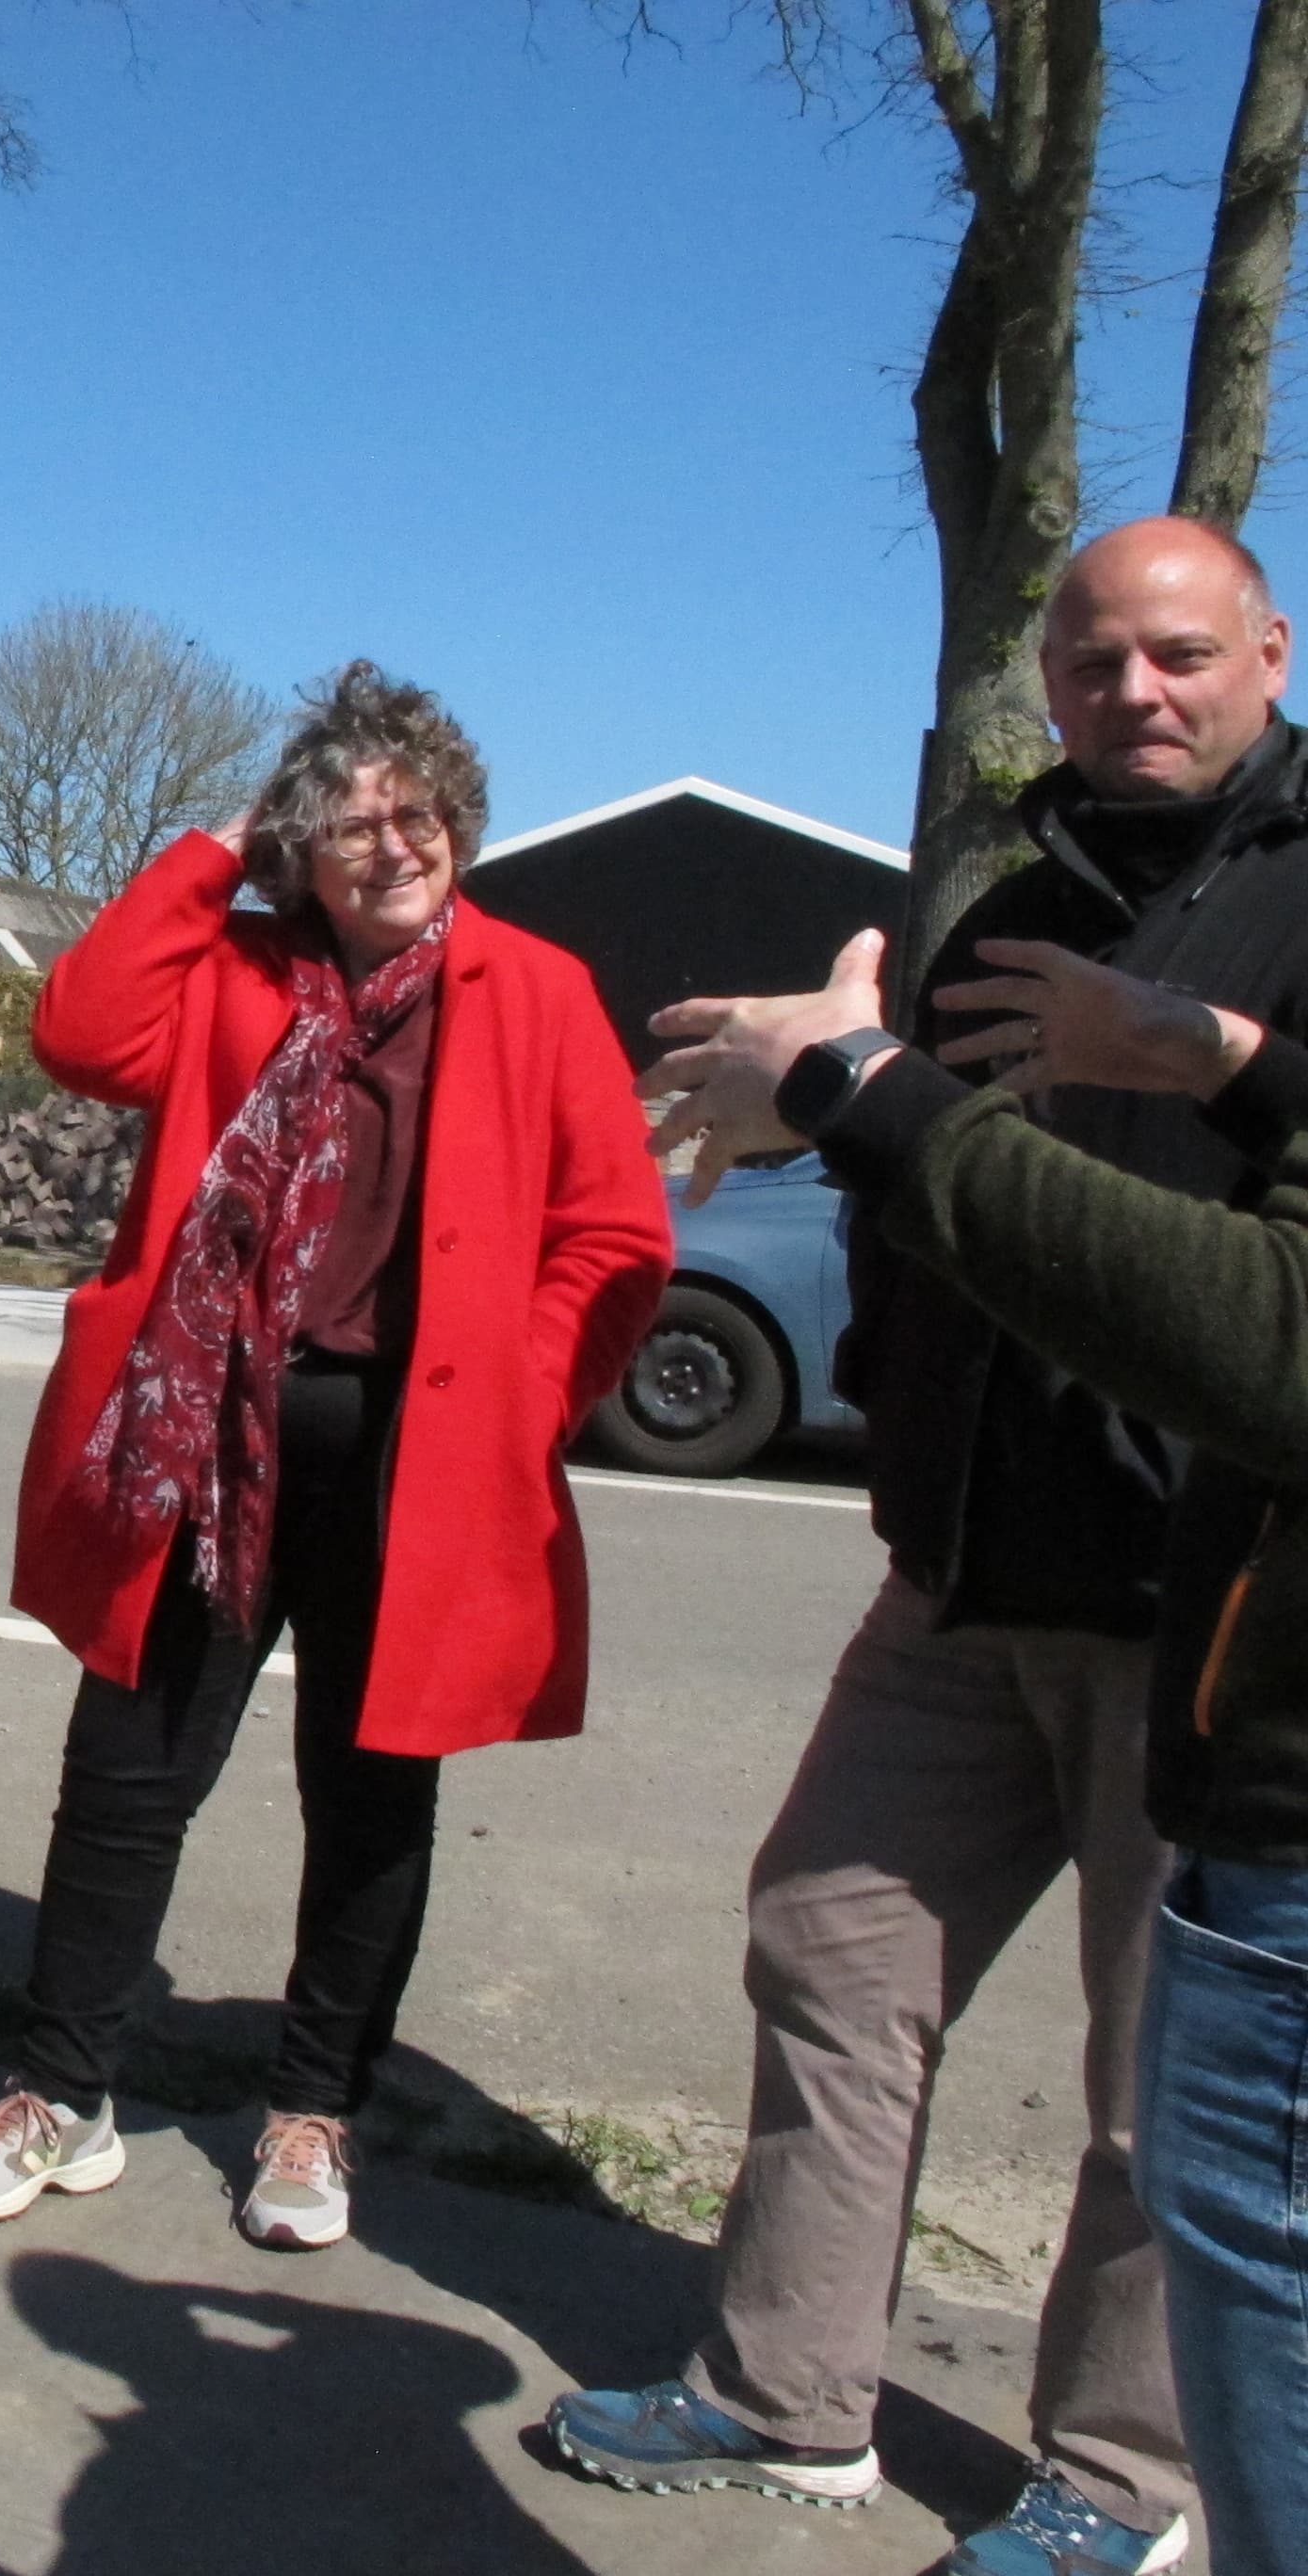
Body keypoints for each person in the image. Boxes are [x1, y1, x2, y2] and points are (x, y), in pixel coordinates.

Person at [552, 515, 1308, 2576]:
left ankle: (1124, 2482)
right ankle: (784, 2395)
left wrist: (1217, 1065)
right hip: (963, 1567)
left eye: (1173, 656)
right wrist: (822, 1137)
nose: (1129, 694)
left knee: (1169, 2087)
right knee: (827, 1939)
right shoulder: (1004, 903)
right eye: (1090, 663)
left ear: (1267, 649)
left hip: (1204, 1604)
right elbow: (915, 1181)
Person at [0, 663, 669, 2246]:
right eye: (347, 827)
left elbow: (613, 1235)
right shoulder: (239, 970)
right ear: (300, 853)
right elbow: (76, 1031)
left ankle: (316, 2113)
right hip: (206, 1433)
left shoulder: (535, 989)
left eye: (415, 815)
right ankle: (64, 2093)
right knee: (127, 1774)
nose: (390, 846)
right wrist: (216, 851)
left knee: (373, 1787)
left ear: (458, 825)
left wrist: (521, 1402)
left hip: (423, 1456)